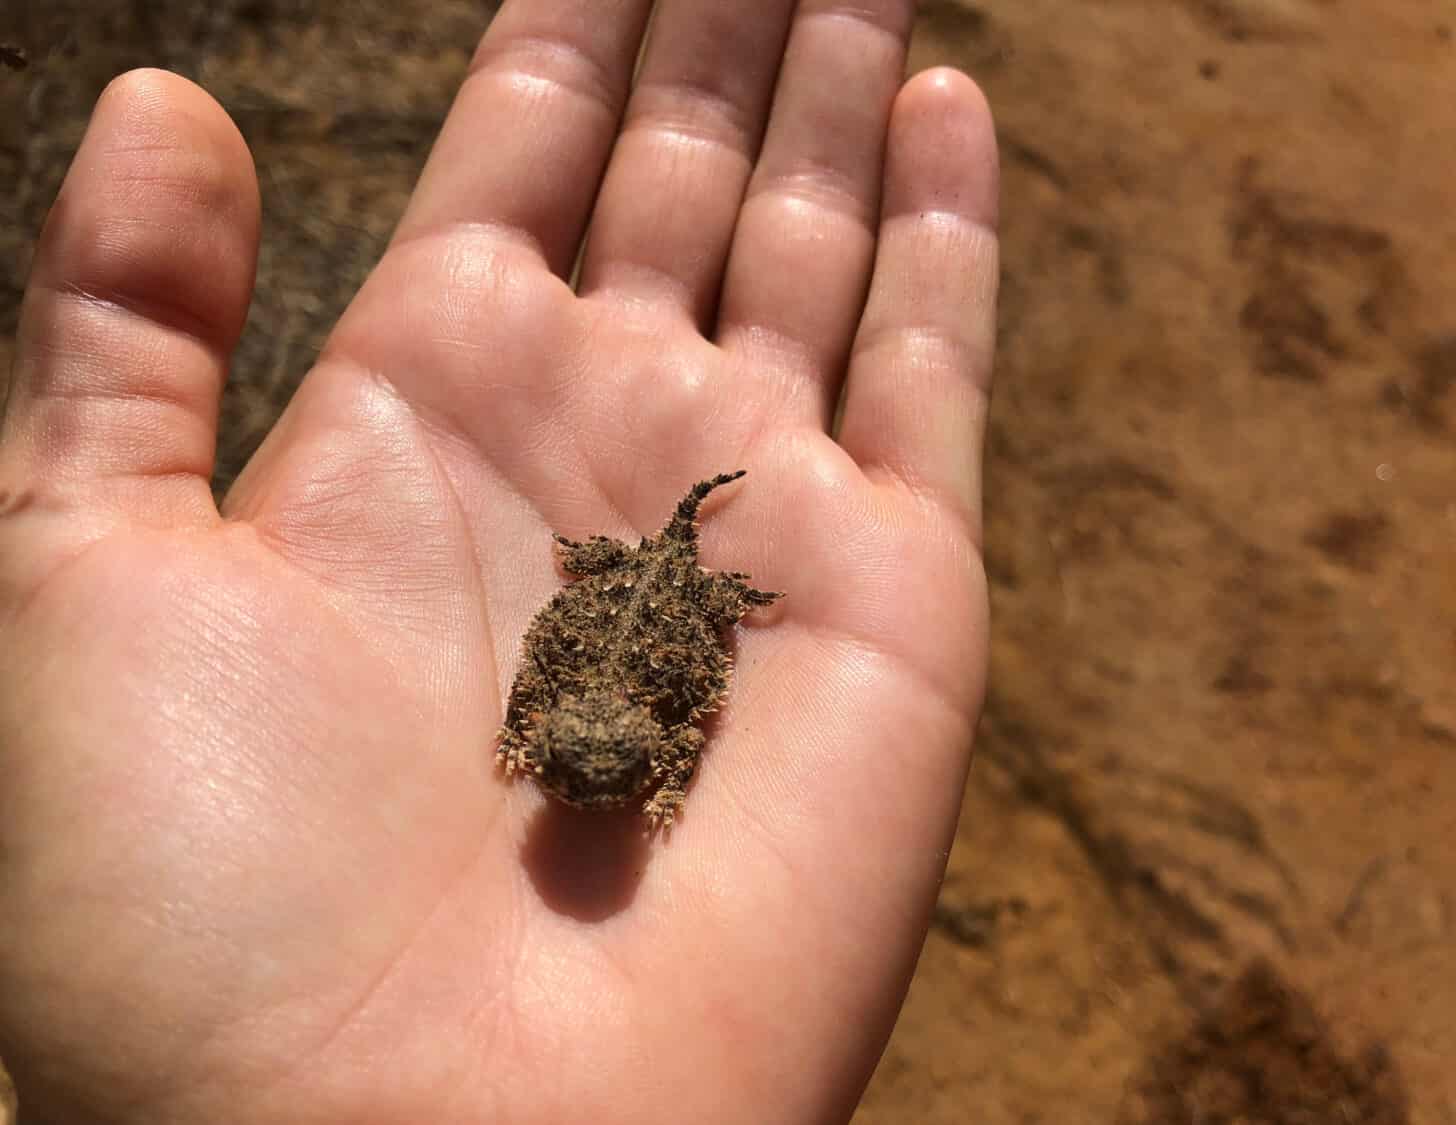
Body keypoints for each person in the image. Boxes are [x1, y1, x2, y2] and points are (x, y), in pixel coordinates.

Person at [0, 1, 999, 1120]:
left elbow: (681, 711)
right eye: (580, 769)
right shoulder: (582, 718)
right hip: (630, 587)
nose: (579, 785)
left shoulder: (646, 734)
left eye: (587, 774)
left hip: (652, 590)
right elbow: (606, 684)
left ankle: (687, 557)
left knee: (688, 580)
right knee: (657, 573)